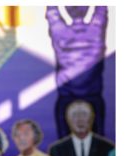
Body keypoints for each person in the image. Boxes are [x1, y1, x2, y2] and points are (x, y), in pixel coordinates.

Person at [46, 6, 108, 137]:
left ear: (67, 10)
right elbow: (101, 10)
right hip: (93, 97)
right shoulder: (95, 29)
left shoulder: (60, 31)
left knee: (63, 147)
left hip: (66, 97)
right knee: (100, 147)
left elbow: (52, 13)